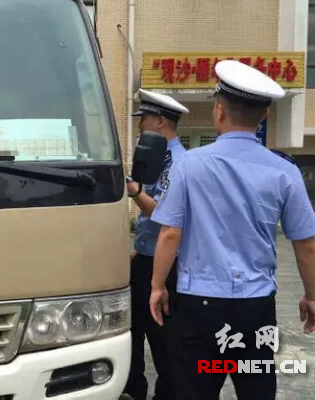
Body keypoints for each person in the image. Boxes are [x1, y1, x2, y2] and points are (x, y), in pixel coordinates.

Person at [148, 60, 315, 400]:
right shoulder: (284, 171)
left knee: (193, 391)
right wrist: (312, 297)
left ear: (219, 111)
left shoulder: (189, 165)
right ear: (264, 116)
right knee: (256, 390)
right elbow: (306, 245)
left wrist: (157, 286)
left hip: (198, 307)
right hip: (255, 309)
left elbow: (170, 233)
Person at [123, 89, 189, 400]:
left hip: (166, 265)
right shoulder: (154, 155)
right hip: (144, 258)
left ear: (160, 121)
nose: (140, 125)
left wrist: (135, 191)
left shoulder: (179, 164)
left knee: (163, 339)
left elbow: (165, 217)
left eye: (144, 119)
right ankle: (132, 390)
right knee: (131, 332)